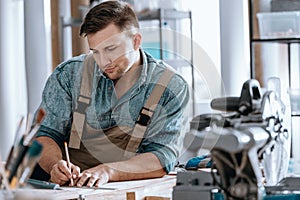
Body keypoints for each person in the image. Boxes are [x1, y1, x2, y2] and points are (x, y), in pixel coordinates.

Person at [32, 0, 189, 187]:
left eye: (111, 49)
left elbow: (161, 156)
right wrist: (54, 166)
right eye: (95, 52)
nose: (104, 61)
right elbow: (45, 135)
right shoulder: (69, 75)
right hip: (69, 188)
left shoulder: (169, 86)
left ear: (136, 41)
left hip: (125, 189)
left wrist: (108, 171)